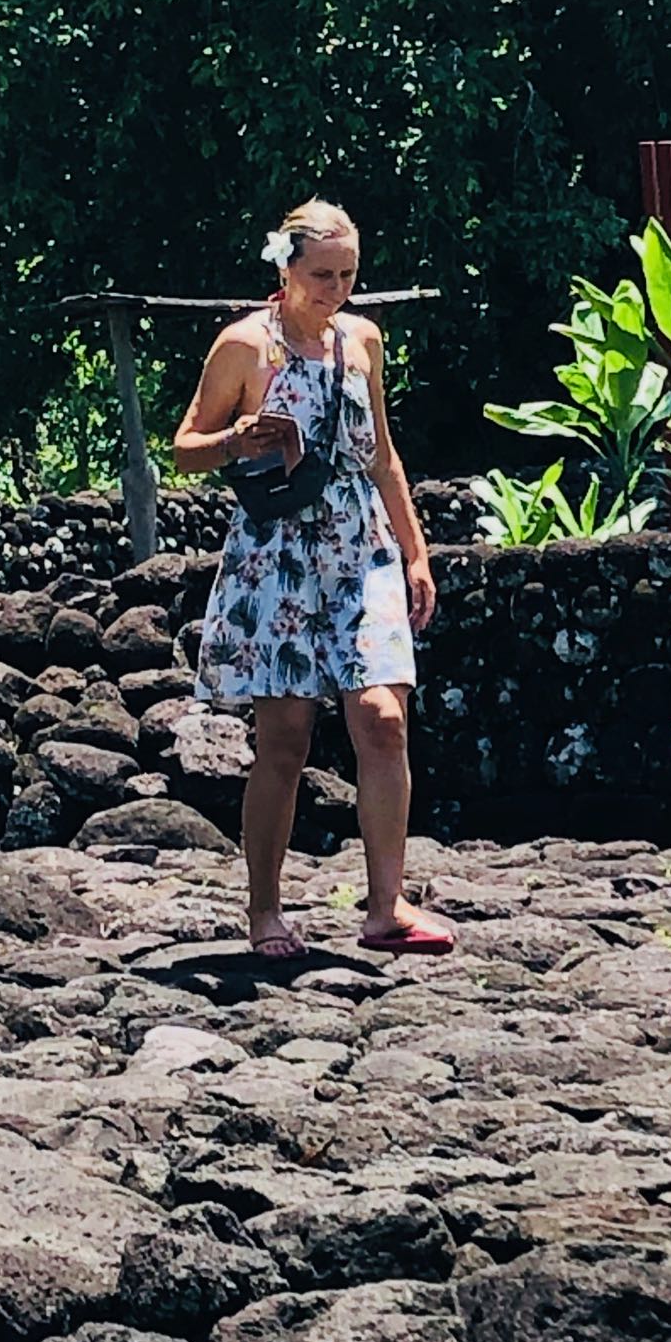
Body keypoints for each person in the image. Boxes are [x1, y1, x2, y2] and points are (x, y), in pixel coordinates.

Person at [174, 199, 454, 961]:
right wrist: (237, 439)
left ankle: (386, 905)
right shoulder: (243, 345)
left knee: (384, 717)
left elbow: (382, 454)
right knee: (286, 735)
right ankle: (265, 907)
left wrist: (415, 552)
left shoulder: (362, 340)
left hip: (359, 549)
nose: (336, 289)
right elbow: (185, 447)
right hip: (279, 554)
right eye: (322, 274)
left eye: (348, 275)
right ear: (286, 267)